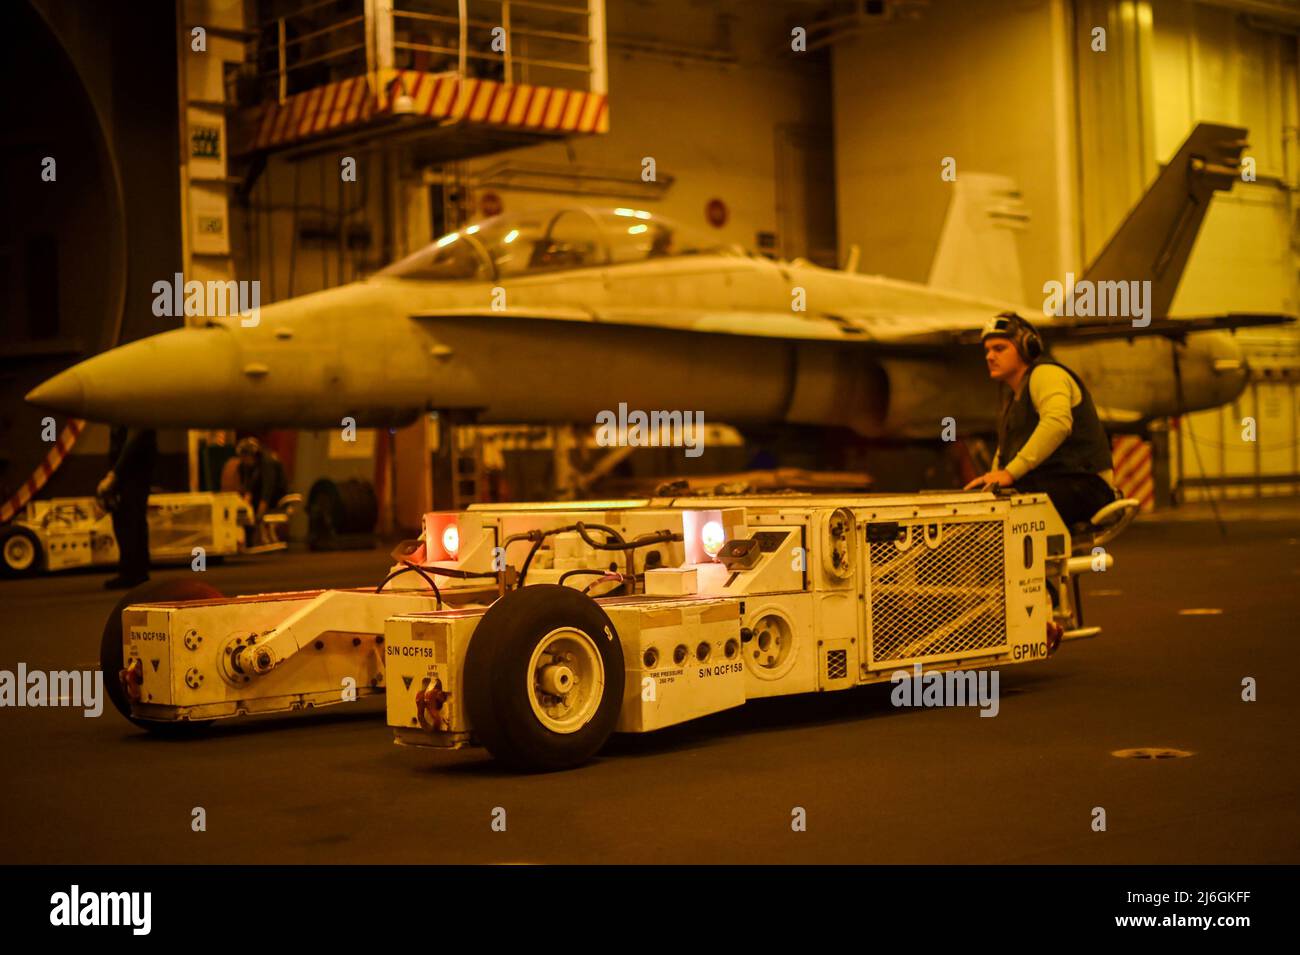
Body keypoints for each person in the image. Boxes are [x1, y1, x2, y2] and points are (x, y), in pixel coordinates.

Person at [963, 312, 1118, 526]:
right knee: (977, 503)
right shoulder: (1012, 397)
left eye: (999, 349)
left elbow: (1057, 424)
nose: (989, 356)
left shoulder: (1046, 375)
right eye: (987, 350)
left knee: (1002, 509)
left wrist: (1009, 473)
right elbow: (1004, 451)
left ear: (1028, 348)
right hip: (1053, 483)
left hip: (1087, 486)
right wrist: (989, 483)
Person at [98, 426, 157, 589]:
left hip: (131, 472)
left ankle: (132, 573)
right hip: (132, 471)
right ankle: (136, 571)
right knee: (132, 520)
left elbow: (133, 441)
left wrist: (115, 474)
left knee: (129, 520)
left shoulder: (133, 411)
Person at [235, 437, 288, 545]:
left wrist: (261, 509)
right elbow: (247, 485)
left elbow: (268, 487)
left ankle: (258, 535)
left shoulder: (267, 463)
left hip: (276, 496)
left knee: (256, 512)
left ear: (253, 455)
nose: (244, 461)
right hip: (259, 495)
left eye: (245, 457)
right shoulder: (244, 466)